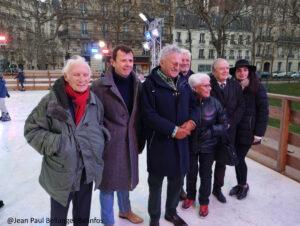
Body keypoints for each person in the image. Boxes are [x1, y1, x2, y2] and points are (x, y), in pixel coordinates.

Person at [24, 56, 109, 226]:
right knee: (58, 220)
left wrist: (100, 138)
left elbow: (99, 125)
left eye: (85, 75)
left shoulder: (95, 102)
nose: (82, 79)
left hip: (86, 171)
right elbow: (31, 129)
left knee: (82, 218)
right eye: (76, 74)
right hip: (61, 173)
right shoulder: (51, 101)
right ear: (66, 77)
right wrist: (59, 143)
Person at [141, 44, 198, 226]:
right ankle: (155, 218)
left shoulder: (183, 82)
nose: (177, 66)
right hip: (159, 144)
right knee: (156, 185)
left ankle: (171, 213)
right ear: (162, 62)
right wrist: (174, 130)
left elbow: (195, 106)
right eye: (173, 63)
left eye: (179, 62)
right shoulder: (150, 84)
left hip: (181, 145)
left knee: (176, 181)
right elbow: (149, 115)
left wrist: (192, 122)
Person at [91, 45, 144, 226]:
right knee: (107, 185)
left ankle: (125, 210)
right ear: (112, 62)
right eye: (123, 60)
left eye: (130, 60)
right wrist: (101, 140)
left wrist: (140, 138)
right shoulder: (99, 86)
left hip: (130, 140)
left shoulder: (137, 84)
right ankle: (108, 222)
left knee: (125, 177)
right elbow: (93, 117)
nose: (128, 64)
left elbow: (139, 114)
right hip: (109, 144)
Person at [182, 73, 229, 217]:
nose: (209, 88)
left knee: (206, 174)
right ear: (195, 88)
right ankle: (190, 196)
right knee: (191, 173)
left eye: (209, 85)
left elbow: (225, 124)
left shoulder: (215, 103)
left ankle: (204, 202)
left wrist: (212, 131)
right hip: (190, 144)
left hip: (208, 146)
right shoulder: (187, 103)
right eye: (205, 85)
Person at [229, 59, 269, 199]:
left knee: (239, 158)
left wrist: (259, 133)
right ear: (235, 73)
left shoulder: (257, 87)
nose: (242, 73)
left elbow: (263, 111)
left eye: (245, 70)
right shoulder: (233, 86)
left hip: (248, 130)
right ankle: (240, 184)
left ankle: (244, 185)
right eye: (239, 70)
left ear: (250, 72)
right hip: (235, 130)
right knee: (236, 158)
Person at [210, 58, 245, 203]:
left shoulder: (234, 85)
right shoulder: (207, 84)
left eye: (227, 68)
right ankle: (203, 192)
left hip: (229, 131)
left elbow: (241, 106)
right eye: (221, 68)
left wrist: (230, 123)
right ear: (214, 71)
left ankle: (217, 189)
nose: (225, 71)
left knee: (221, 162)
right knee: (206, 164)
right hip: (211, 131)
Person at [178, 48, 194, 201]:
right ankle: (179, 187)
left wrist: (192, 121)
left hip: (194, 126)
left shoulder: (196, 78)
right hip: (178, 127)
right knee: (180, 159)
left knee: (191, 160)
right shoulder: (173, 77)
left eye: (187, 60)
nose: (184, 63)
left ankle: (190, 188)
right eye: (182, 60)